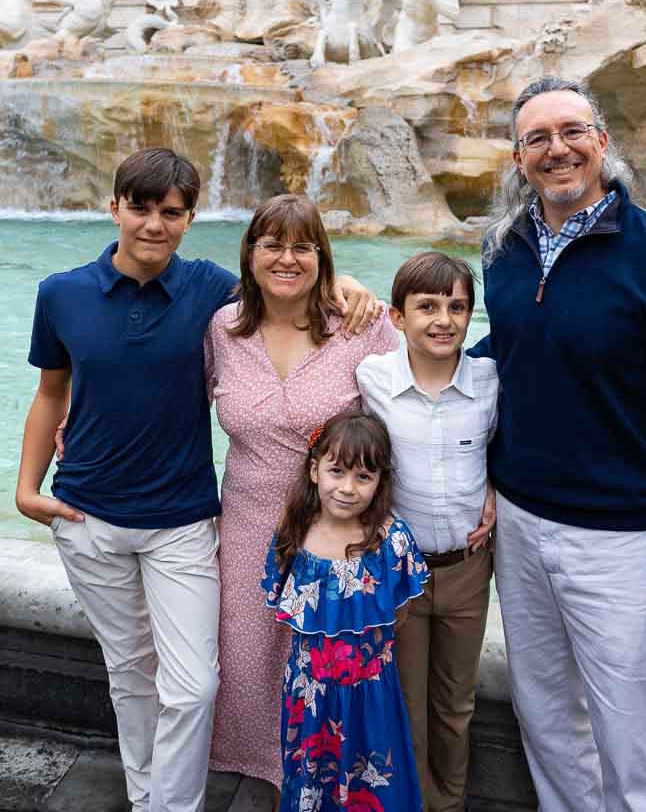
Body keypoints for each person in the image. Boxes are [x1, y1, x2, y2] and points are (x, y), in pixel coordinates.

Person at [15, 148, 379, 812]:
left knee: (193, 686)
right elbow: (49, 394)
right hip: (85, 516)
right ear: (115, 208)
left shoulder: (213, 291)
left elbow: (286, 277)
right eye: (142, 207)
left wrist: (345, 278)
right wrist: (26, 488)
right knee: (130, 675)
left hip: (182, 519)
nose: (156, 223)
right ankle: (148, 797)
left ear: (189, 219)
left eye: (173, 212)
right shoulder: (59, 293)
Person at [473, 76, 646, 811]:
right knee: (547, 723)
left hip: (619, 543)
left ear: (602, 142)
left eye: (572, 132)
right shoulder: (503, 251)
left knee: (633, 744)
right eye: (538, 138)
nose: (557, 150)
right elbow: (511, 357)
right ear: (518, 158)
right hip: (519, 528)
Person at [205, 194, 398, 802]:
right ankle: (264, 780)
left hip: (335, 531)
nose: (286, 259)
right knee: (247, 662)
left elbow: (417, 413)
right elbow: (169, 401)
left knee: (330, 671)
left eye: (302, 247)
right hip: (244, 525)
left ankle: (323, 782)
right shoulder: (223, 328)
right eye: (272, 245)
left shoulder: (361, 327)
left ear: (322, 257)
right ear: (250, 253)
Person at [356, 251, 499, 812]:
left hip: (466, 568)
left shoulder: (489, 382)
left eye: (458, 307)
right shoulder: (371, 379)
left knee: (455, 705)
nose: (443, 319)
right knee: (406, 702)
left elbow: (508, 450)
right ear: (397, 317)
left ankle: (450, 804)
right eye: (427, 307)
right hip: (398, 573)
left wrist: (497, 494)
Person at [263, 410, 429, 811]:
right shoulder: (294, 533)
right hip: (310, 699)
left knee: (372, 790)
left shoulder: (392, 542)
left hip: (372, 697)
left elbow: (398, 616)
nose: (348, 488)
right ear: (315, 469)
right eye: (337, 471)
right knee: (310, 785)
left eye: (363, 477)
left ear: (379, 483)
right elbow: (281, 606)